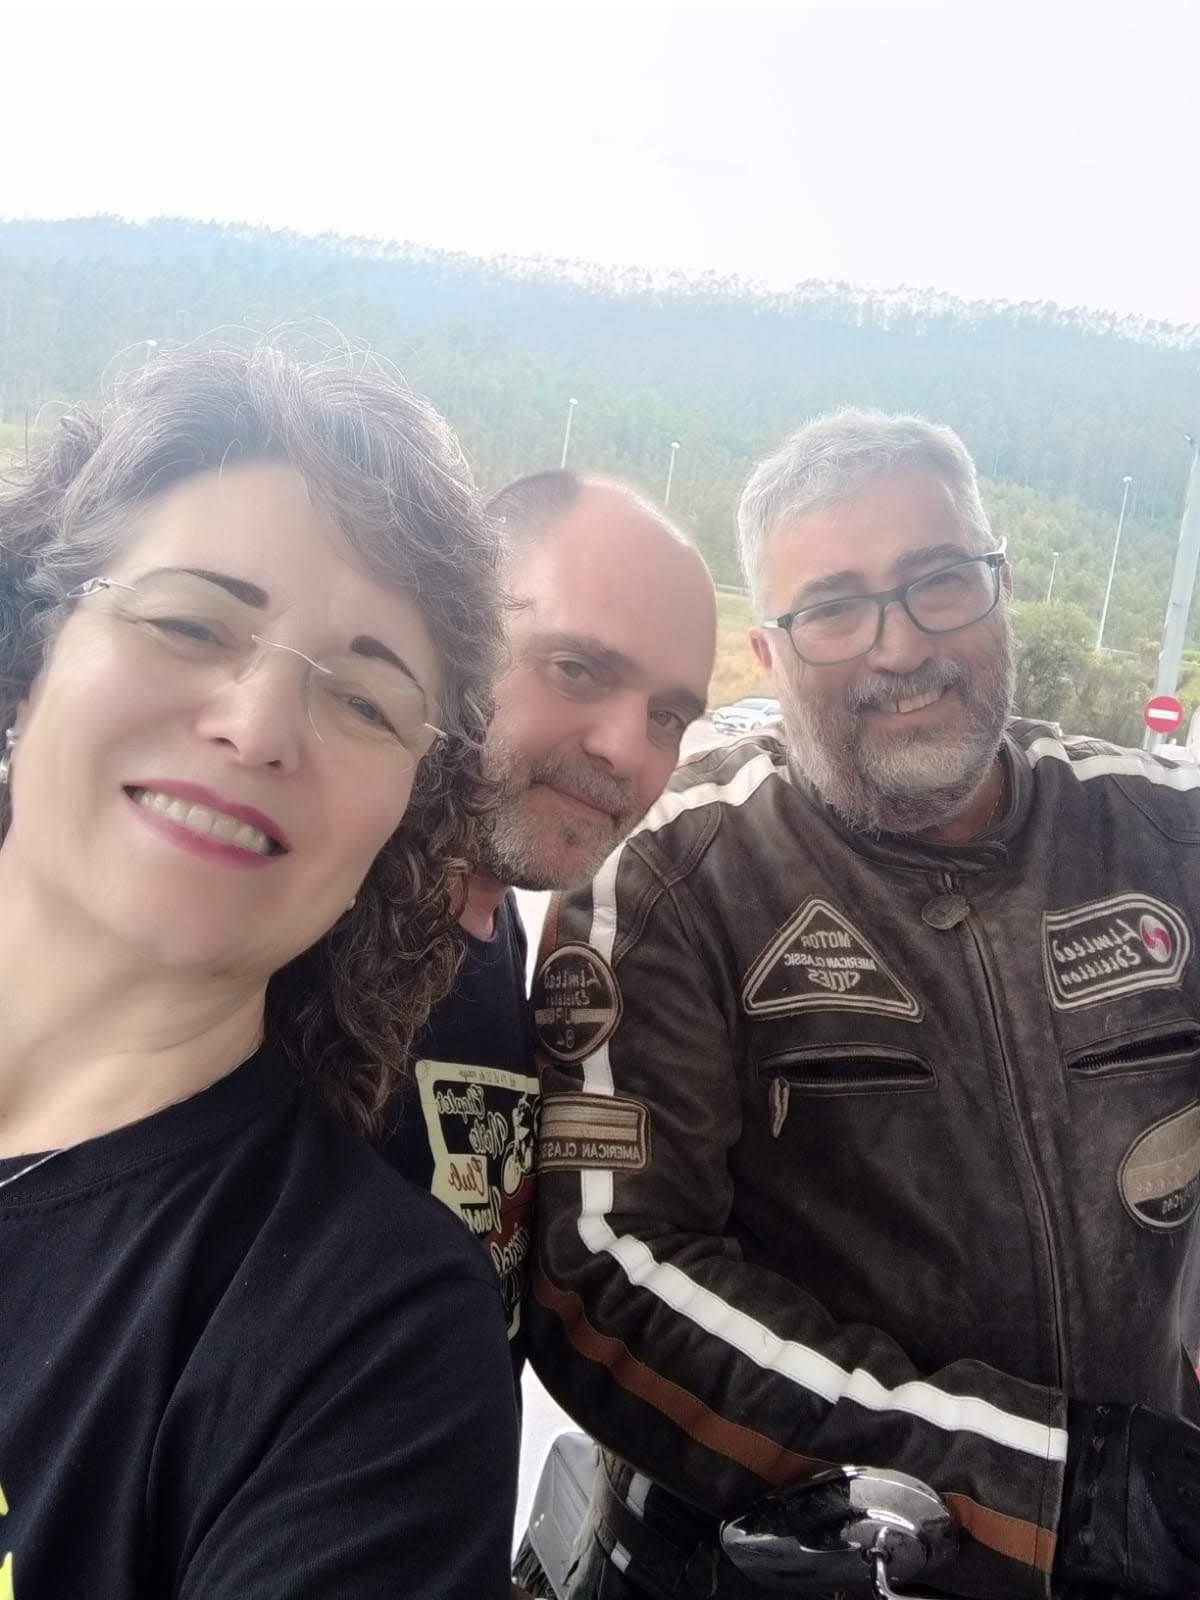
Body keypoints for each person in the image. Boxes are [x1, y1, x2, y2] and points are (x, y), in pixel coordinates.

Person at [528, 410, 1200, 1598]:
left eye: (938, 581)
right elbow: (609, 1272)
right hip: (784, 1567)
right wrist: (1062, 1490)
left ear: (1001, 590)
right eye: (834, 608)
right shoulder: (676, 873)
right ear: (768, 651)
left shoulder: (1165, 839)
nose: (898, 647)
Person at [0, 344, 518, 1598]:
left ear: (401, 822)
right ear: (29, 663)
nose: (259, 725)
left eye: (366, 703)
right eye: (189, 623)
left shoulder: (373, 1345)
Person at [381, 470, 717, 1374]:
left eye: (668, 716)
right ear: (455, 636)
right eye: (576, 669)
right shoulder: (294, 942)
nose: (626, 749)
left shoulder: (502, 932)